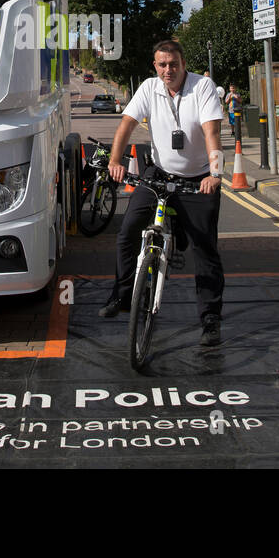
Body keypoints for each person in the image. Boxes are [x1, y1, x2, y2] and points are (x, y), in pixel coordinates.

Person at [99, 39, 225, 346]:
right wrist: (115, 161)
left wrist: (216, 172)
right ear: (155, 66)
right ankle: (123, 295)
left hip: (198, 177)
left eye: (173, 64)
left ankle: (210, 318)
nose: (168, 70)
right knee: (128, 231)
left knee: (204, 248)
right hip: (157, 172)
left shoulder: (202, 87)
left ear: (183, 64)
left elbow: (212, 132)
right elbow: (126, 125)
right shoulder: (148, 88)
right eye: (162, 65)